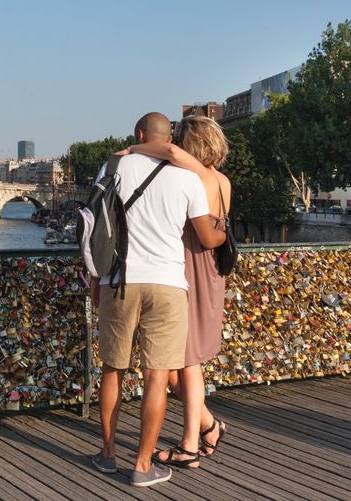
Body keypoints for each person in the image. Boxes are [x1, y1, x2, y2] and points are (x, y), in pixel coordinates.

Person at [91, 112, 227, 488]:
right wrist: (223, 230)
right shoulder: (187, 178)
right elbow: (207, 237)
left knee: (112, 370)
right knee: (156, 377)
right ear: (171, 140)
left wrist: (95, 280)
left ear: (138, 134)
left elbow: (96, 227)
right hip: (168, 283)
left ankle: (106, 454)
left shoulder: (113, 165)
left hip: (119, 280)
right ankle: (142, 464)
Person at [126, 115, 231, 468]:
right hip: (211, 270)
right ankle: (206, 426)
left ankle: (190, 444)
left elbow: (168, 149)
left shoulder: (196, 175)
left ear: (193, 145)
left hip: (192, 269)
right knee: (182, 362)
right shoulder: (222, 182)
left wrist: (132, 148)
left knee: (185, 362)